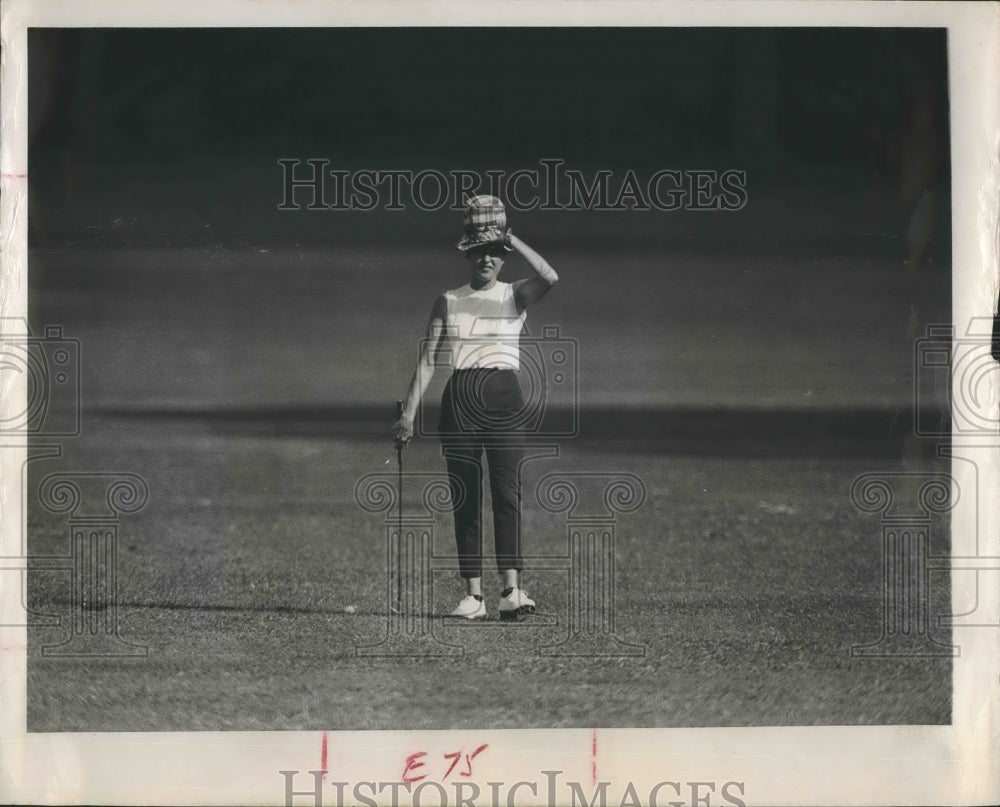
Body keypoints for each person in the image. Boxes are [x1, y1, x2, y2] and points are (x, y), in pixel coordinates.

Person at [393, 195, 559, 620]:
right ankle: (473, 596)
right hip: (461, 398)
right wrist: (408, 415)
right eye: (479, 251)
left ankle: (511, 591)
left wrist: (509, 236)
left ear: (502, 257)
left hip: (505, 395)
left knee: (507, 493)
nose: (486, 259)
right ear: (468, 254)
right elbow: (429, 359)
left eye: (494, 253)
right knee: (465, 496)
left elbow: (550, 275)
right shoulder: (448, 300)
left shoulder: (514, 295)